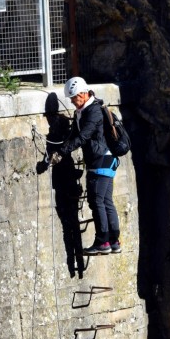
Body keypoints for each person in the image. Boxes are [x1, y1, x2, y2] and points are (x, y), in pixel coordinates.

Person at [59, 77, 121, 255]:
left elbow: (84, 136)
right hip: (106, 158)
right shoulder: (84, 110)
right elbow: (75, 134)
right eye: (71, 99)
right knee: (106, 201)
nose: (72, 102)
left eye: (74, 98)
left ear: (84, 94)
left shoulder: (93, 111)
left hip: (101, 160)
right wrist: (64, 146)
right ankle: (113, 241)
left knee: (97, 201)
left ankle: (103, 242)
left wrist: (63, 151)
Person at [36, 92, 87, 277]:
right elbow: (50, 158)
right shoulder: (59, 131)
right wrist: (44, 164)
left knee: (70, 225)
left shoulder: (60, 131)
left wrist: (47, 162)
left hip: (65, 184)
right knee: (70, 225)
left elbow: (57, 155)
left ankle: (75, 264)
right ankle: (74, 264)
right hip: (65, 184)